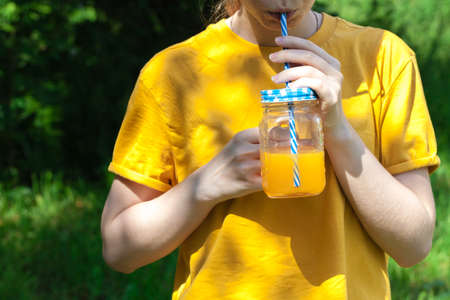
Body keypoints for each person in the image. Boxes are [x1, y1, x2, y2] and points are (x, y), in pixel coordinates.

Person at [100, 0, 440, 299]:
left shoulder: (382, 58)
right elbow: (120, 250)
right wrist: (206, 185)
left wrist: (338, 129)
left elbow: (414, 245)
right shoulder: (174, 73)